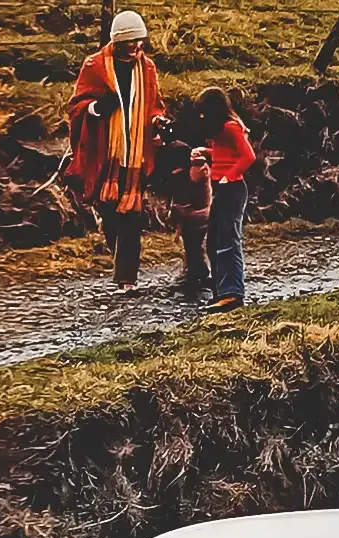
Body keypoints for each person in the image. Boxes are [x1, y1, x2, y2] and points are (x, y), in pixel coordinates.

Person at [65, 10, 167, 293]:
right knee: (109, 213)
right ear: (118, 41)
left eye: (139, 40)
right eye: (131, 41)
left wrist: (158, 122)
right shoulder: (94, 66)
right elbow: (76, 107)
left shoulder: (147, 68)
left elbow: (155, 105)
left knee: (131, 215)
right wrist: (96, 108)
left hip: (135, 155)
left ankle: (126, 280)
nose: (136, 46)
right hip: (104, 155)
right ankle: (121, 265)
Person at [192, 87, 256, 314]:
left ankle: (232, 293)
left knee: (228, 240)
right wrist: (206, 152)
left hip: (232, 188)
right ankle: (221, 290)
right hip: (222, 187)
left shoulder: (230, 127)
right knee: (214, 241)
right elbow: (226, 155)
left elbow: (248, 156)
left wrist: (230, 176)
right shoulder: (221, 130)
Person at [162, 141, 212, 297]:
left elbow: (185, 196)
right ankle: (195, 272)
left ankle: (196, 274)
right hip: (200, 212)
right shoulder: (198, 169)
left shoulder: (187, 174)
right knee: (194, 245)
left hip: (193, 215)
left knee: (193, 246)